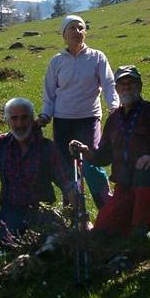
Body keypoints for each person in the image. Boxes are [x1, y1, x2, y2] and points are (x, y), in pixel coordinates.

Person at [70, 65, 150, 241]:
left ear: (139, 86)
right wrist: (87, 152)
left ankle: (142, 228)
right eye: (122, 84)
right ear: (116, 89)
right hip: (125, 186)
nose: (126, 87)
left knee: (135, 229)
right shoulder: (114, 119)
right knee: (102, 230)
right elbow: (104, 155)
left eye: (131, 83)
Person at [37, 14, 119, 209]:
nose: (77, 32)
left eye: (81, 28)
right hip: (63, 120)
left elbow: (109, 84)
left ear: (85, 33)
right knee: (66, 165)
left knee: (91, 161)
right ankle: (72, 207)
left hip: (89, 118)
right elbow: (49, 92)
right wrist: (45, 114)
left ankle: (106, 206)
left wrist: (114, 107)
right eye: (72, 28)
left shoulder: (97, 57)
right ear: (64, 35)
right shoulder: (56, 62)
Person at [0, 98, 74, 246]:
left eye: (24, 118)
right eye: (14, 119)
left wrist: (80, 212)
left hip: (42, 212)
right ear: (8, 121)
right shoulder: (1, 145)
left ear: (32, 120)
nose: (19, 124)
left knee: (50, 250)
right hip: (12, 211)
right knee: (8, 250)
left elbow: (67, 181)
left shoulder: (47, 148)